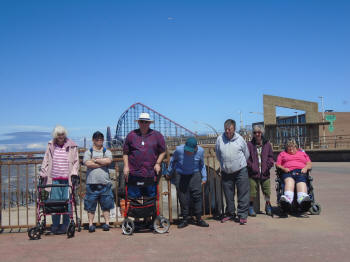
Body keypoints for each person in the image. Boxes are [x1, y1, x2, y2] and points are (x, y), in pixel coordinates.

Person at [40, 125, 79, 234]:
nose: (61, 136)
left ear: (65, 135)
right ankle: (55, 225)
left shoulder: (72, 146)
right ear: (55, 136)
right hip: (54, 179)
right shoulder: (50, 145)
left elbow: (76, 161)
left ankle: (66, 225)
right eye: (58, 134)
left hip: (67, 179)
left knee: (67, 203)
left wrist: (74, 173)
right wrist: (43, 172)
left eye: (62, 134)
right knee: (55, 203)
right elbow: (46, 159)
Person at [167, 137, 209, 228]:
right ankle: (185, 219)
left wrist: (204, 177)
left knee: (197, 196)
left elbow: (202, 164)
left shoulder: (201, 151)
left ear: (195, 148)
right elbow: (172, 161)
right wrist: (169, 172)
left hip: (195, 174)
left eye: (190, 151)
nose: (188, 152)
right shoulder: (179, 150)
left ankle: (199, 219)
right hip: (181, 174)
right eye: (186, 150)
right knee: (182, 197)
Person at [123, 112, 166, 199]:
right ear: (138, 122)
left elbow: (163, 151)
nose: (144, 123)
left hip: (150, 173)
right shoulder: (131, 135)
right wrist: (126, 166)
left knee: (150, 199)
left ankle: (150, 213)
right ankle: (135, 212)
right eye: (142, 121)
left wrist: (158, 163)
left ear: (150, 123)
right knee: (134, 199)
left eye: (146, 122)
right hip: (134, 173)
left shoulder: (157, 135)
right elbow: (125, 152)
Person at [215, 119, 250, 225]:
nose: (227, 131)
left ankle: (242, 215)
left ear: (234, 129)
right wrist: (224, 165)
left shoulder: (240, 139)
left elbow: (246, 154)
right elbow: (218, 154)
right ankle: (230, 213)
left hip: (240, 170)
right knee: (228, 195)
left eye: (229, 129)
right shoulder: (219, 139)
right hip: (226, 171)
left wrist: (240, 164)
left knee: (242, 193)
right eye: (225, 129)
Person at [83, 131, 114, 232]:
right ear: (93, 140)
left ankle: (107, 223)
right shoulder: (88, 152)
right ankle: (91, 224)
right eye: (97, 139)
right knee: (90, 206)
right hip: (91, 183)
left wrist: (95, 160)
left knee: (106, 205)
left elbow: (109, 161)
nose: (99, 140)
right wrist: (102, 163)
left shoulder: (107, 151)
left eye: (101, 139)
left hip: (105, 183)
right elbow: (87, 163)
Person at [275, 138, 312, 211]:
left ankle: (302, 200)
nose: (291, 148)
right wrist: (283, 168)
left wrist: (306, 168)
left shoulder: (302, 153)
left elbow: (309, 163)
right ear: (286, 147)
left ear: (296, 147)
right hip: (288, 172)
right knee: (289, 181)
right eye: (289, 147)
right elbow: (277, 164)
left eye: (293, 146)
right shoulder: (283, 154)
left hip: (301, 171)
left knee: (301, 181)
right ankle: (287, 200)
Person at [247, 125, 274, 216]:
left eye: (259, 132)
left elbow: (271, 158)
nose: (257, 134)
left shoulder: (267, 144)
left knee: (267, 191)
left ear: (262, 133)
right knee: (252, 191)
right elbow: (247, 158)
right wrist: (252, 166)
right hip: (253, 173)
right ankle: (250, 207)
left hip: (265, 172)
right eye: (255, 132)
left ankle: (268, 205)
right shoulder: (249, 145)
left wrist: (267, 167)